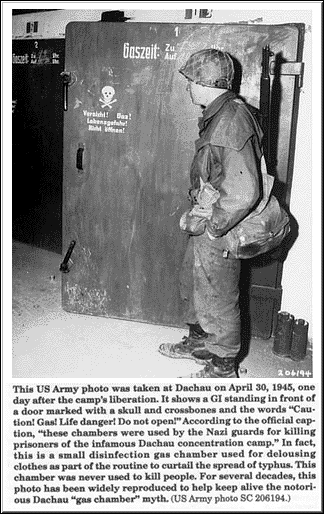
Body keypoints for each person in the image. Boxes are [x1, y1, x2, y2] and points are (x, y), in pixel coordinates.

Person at [159, 49, 264, 378]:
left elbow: (244, 191)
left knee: (218, 295)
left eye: (191, 80)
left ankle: (222, 366)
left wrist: (214, 228)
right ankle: (199, 341)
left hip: (222, 224)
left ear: (205, 83)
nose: (188, 86)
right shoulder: (220, 114)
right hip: (208, 216)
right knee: (193, 283)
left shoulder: (231, 120)